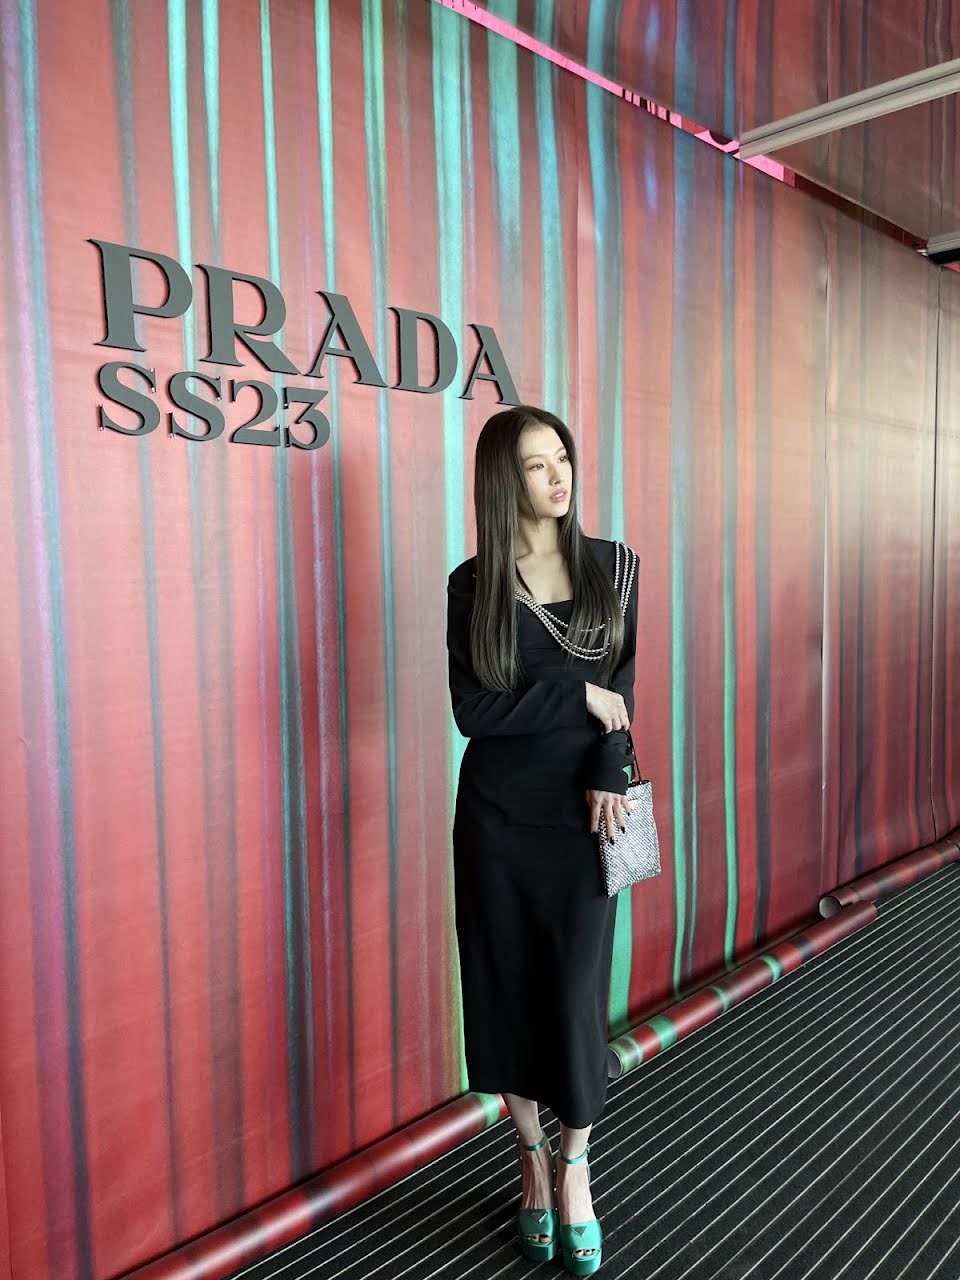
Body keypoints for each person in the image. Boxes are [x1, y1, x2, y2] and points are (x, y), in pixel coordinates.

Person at [446, 405, 640, 1276]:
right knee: (506, 988)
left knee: (573, 995)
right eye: (535, 464)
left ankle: (576, 1167)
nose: (558, 475)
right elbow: (474, 712)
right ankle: (529, 1155)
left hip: (588, 810)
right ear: (504, 479)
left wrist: (610, 764)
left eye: (561, 456)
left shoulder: (616, 568)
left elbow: (624, 690)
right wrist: (577, 696)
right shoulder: (474, 584)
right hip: (497, 816)